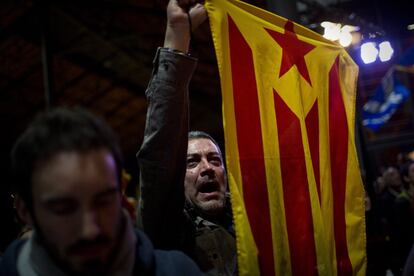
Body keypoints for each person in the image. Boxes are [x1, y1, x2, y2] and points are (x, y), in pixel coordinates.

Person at [0, 107, 202, 276]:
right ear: (24, 210)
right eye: (64, 209)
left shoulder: (177, 271)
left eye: (104, 201)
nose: (91, 230)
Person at [137, 0, 237, 275]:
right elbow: (162, 147)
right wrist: (177, 36)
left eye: (214, 159)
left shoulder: (255, 224)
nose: (207, 168)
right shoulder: (171, 230)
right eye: (191, 162)